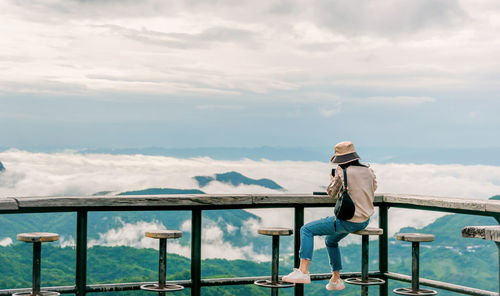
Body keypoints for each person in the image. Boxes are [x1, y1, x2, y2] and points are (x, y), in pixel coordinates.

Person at [282, 141, 377, 291]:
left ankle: (303, 271)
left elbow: (332, 193)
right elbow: (373, 188)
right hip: (364, 220)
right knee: (331, 241)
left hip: (348, 220)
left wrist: (333, 181)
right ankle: (336, 278)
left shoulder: (342, 171)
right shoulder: (368, 171)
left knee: (306, 229)